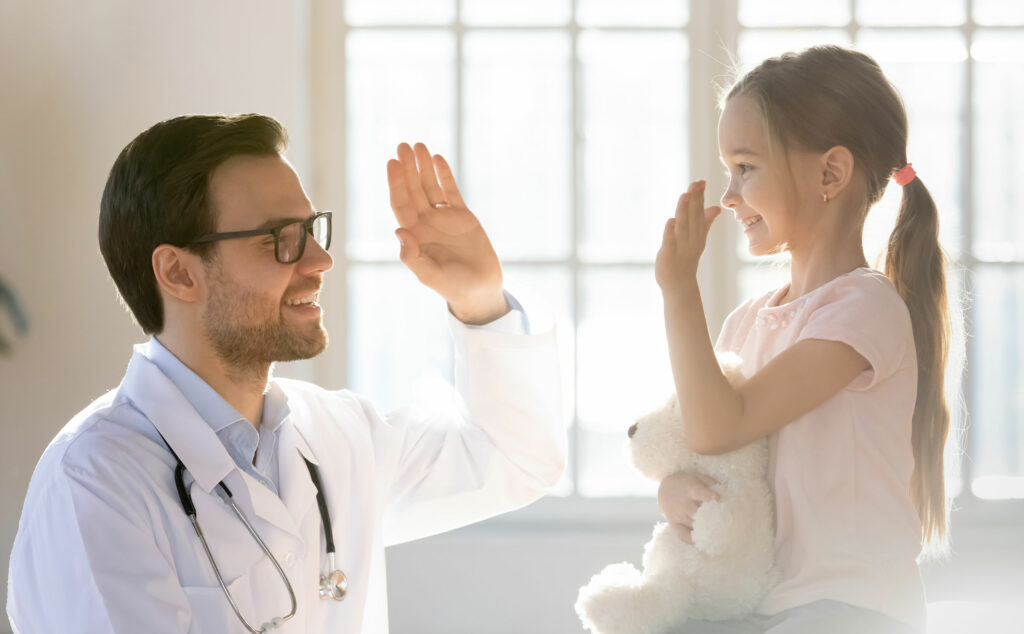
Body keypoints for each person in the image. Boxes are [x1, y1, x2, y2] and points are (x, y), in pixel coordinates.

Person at [6, 114, 565, 633]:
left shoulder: (339, 435)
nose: (319, 261)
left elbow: (517, 457)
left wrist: (479, 301)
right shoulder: (94, 481)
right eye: (282, 239)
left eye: (313, 229)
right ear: (178, 272)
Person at [654, 46, 953, 633]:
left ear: (829, 174)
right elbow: (713, 453)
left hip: (847, 610)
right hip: (764, 607)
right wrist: (674, 494)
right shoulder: (746, 321)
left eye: (746, 166)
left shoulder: (863, 309)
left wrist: (678, 292)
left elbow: (722, 424)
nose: (729, 195)